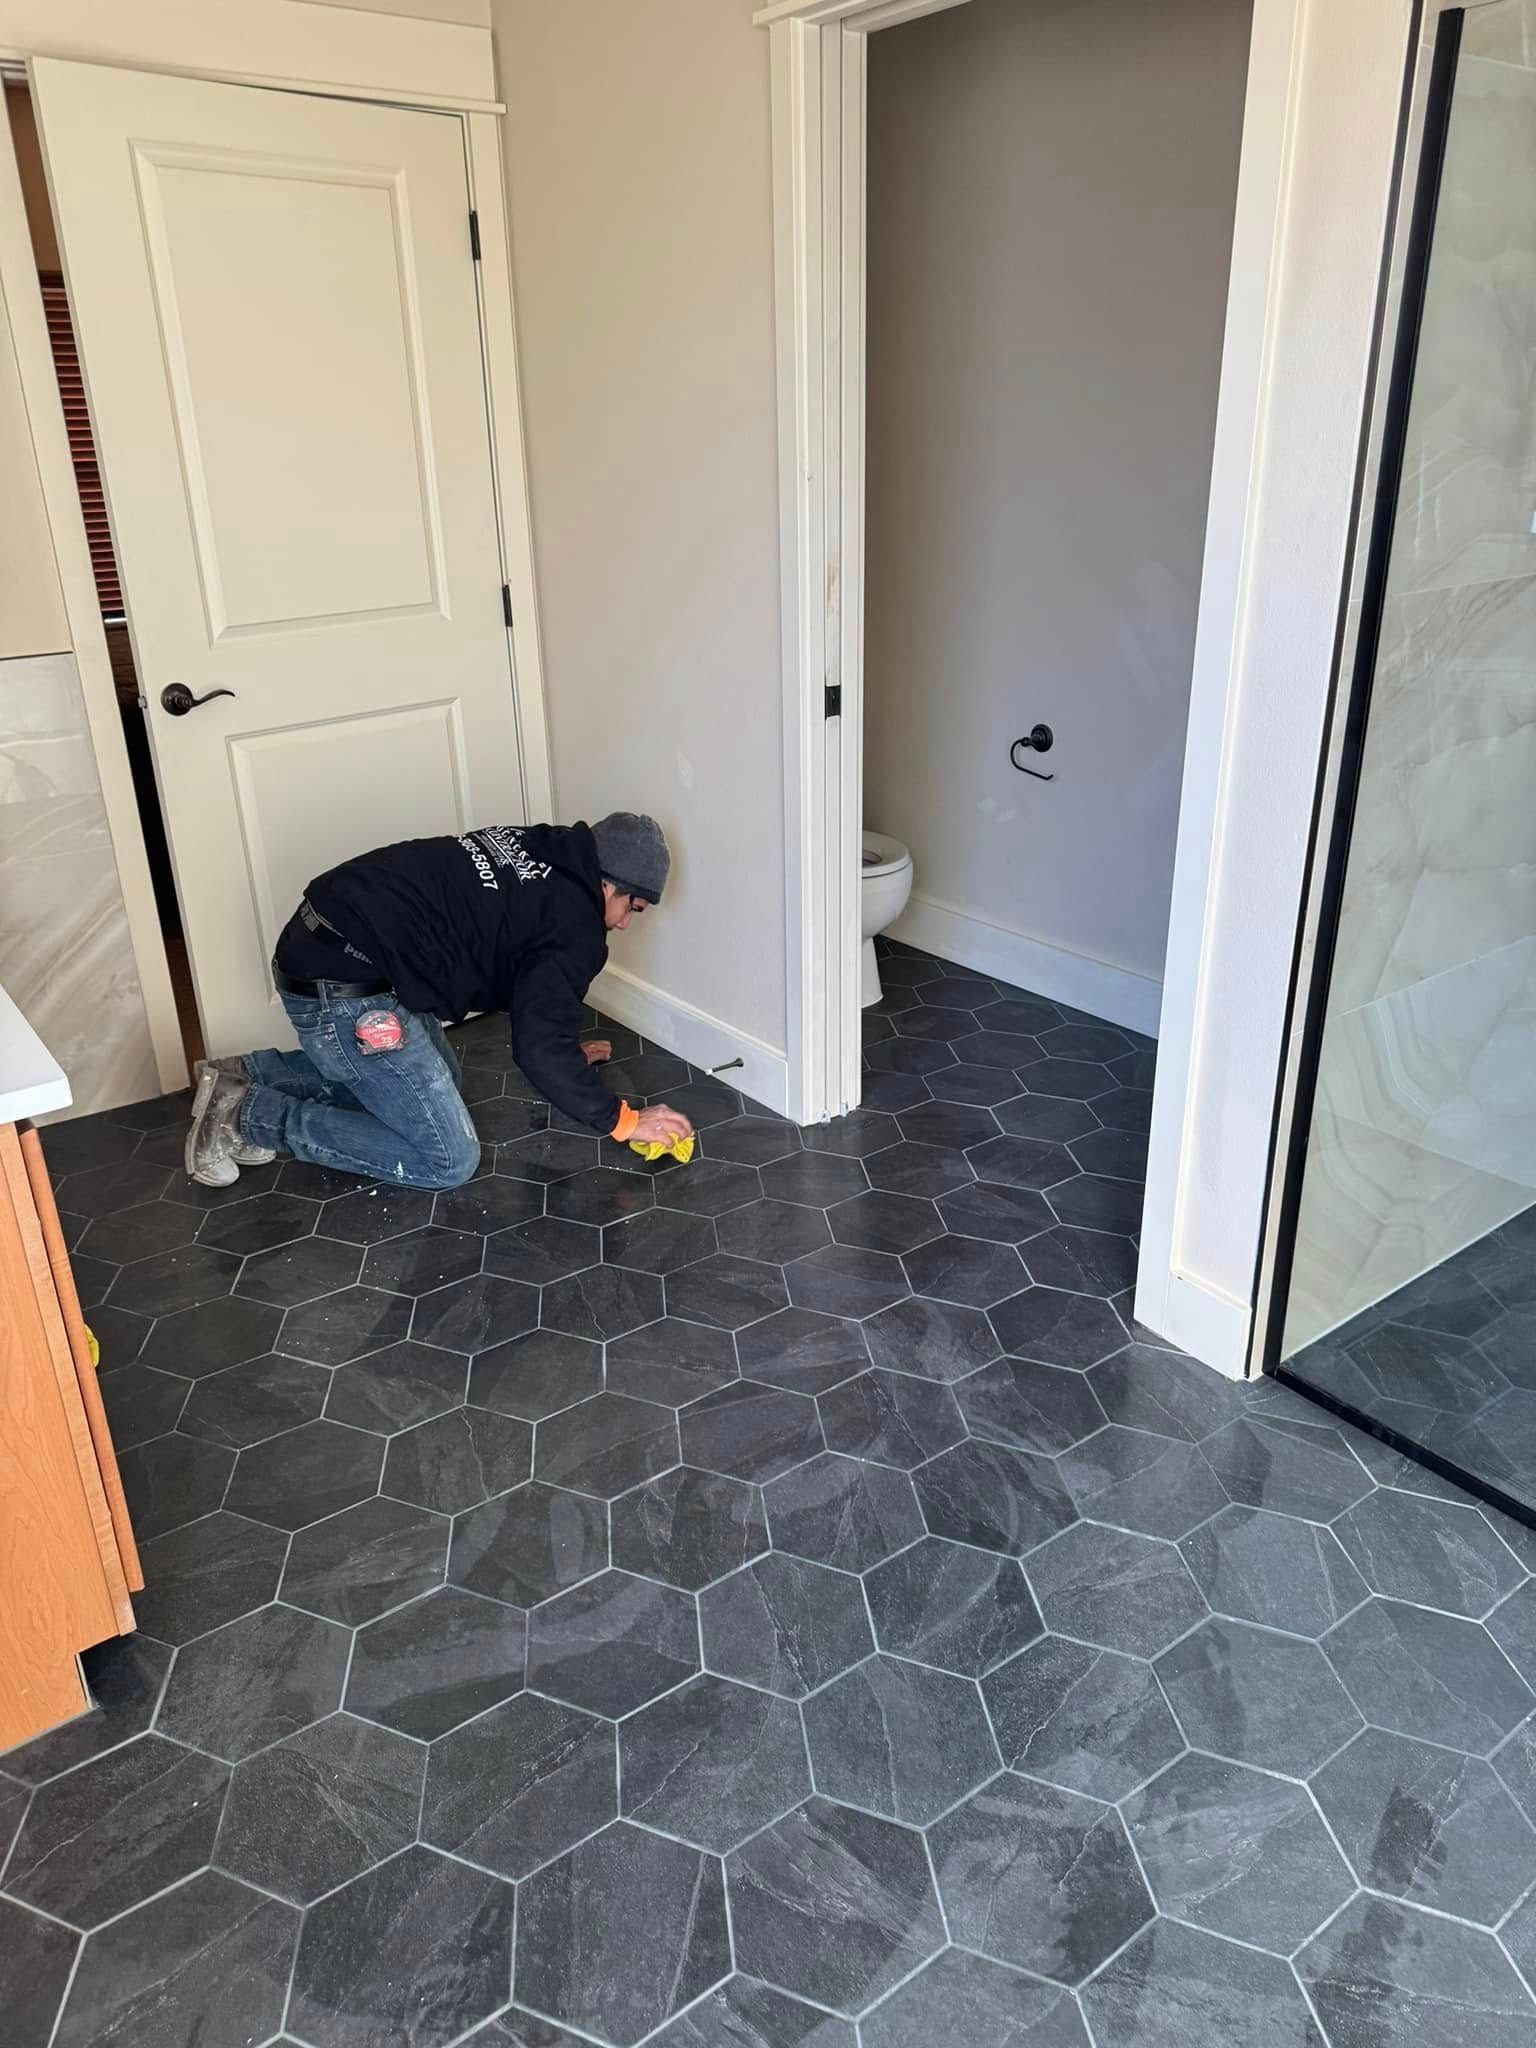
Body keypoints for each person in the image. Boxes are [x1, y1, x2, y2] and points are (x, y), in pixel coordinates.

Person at [184, 813, 694, 1190]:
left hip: (324, 938)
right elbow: (537, 1043)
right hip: (344, 985)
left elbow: (518, 960)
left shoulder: (547, 849)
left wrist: (562, 1057)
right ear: (609, 882)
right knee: (446, 1157)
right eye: (632, 906)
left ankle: (241, 1073)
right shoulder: (576, 927)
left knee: (440, 1082)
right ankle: (245, 1116)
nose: (625, 922)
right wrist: (625, 1121)